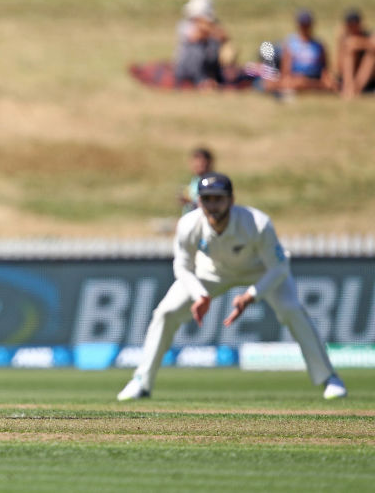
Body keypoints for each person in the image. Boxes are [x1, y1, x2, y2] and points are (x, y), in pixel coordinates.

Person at [118, 172, 348, 402]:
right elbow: (182, 266)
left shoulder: (257, 223)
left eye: (218, 198)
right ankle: (141, 381)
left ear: (231, 200)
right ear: (199, 201)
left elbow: (279, 268)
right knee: (166, 312)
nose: (212, 205)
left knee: (291, 309)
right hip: (211, 272)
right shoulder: (189, 224)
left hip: (260, 271)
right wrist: (200, 294)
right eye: (206, 199)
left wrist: (251, 295)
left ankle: (329, 378)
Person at [267, 9, 336, 96]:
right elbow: (286, 70)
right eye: (302, 24)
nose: (304, 27)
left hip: (314, 77)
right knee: (290, 82)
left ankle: (310, 86)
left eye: (306, 24)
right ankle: (314, 87)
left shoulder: (319, 45)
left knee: (330, 83)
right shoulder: (290, 43)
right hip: (297, 77)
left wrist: (327, 79)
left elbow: (325, 68)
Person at [173, 0, 233, 89]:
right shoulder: (185, 24)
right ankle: (201, 81)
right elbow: (194, 36)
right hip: (187, 66)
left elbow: (224, 37)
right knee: (196, 49)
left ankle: (216, 79)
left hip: (209, 66)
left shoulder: (213, 26)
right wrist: (209, 30)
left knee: (215, 47)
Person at [335, 9, 375, 99]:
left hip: (368, 79)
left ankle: (356, 88)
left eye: (354, 24)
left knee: (371, 56)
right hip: (348, 77)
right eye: (349, 24)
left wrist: (360, 43)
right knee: (350, 53)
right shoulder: (344, 38)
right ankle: (348, 88)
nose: (352, 27)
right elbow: (339, 67)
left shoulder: (368, 35)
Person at [177, 147, 213, 214]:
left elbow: (211, 204)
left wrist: (190, 202)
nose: (197, 166)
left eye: (201, 164)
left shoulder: (211, 182)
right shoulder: (195, 180)